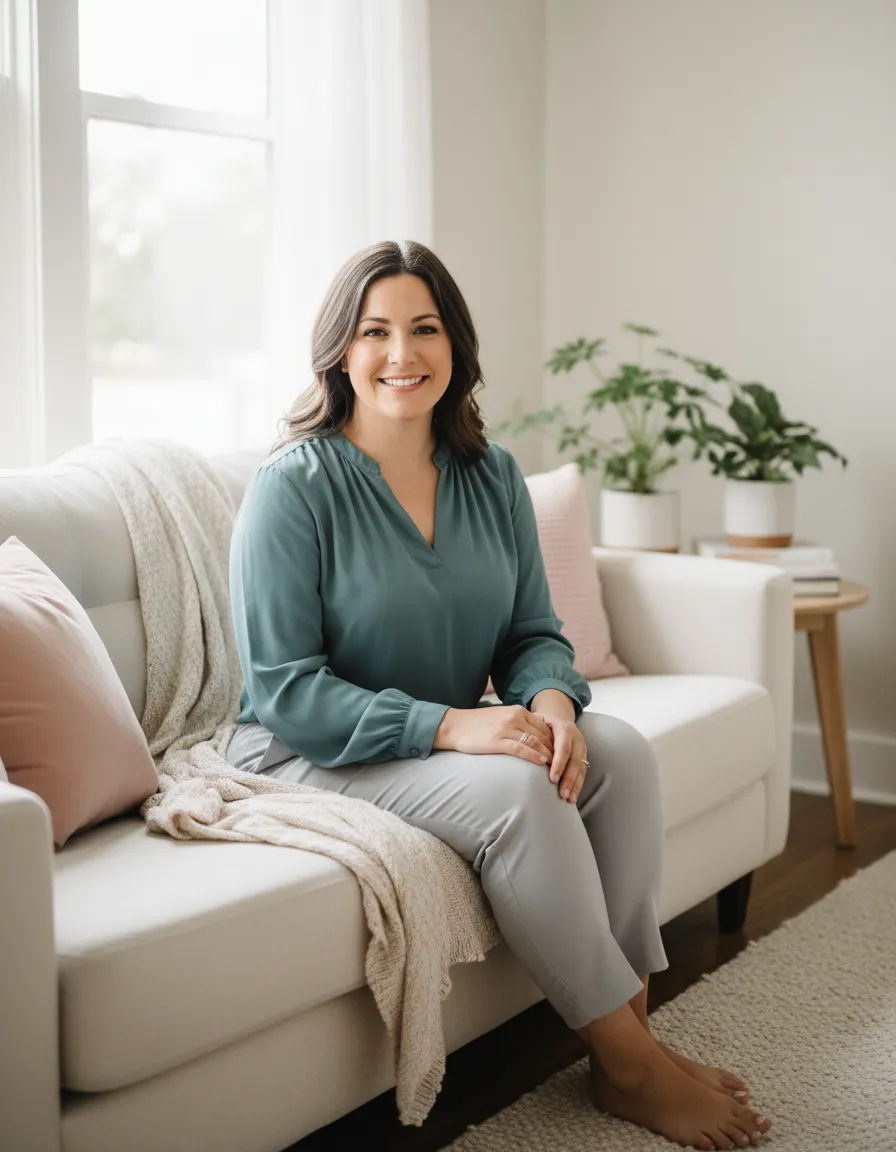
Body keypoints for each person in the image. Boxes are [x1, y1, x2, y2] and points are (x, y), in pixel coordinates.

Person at [226, 240, 772, 1151]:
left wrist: (553, 701)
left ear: (456, 347)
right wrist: (454, 726)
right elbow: (286, 691)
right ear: (340, 352)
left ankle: (624, 1029)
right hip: (311, 751)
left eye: (424, 328)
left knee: (622, 752)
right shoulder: (294, 489)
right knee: (523, 792)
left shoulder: (491, 475)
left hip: (438, 741)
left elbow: (531, 635)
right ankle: (635, 1065)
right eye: (375, 331)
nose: (402, 353)